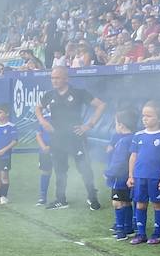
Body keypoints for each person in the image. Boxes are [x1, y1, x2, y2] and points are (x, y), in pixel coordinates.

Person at [36, 65, 105, 210]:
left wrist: (89, 125)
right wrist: (43, 121)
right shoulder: (49, 95)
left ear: (66, 78)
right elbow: (38, 108)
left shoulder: (79, 93)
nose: (54, 81)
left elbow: (101, 105)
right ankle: (61, 199)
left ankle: (92, 197)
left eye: (57, 78)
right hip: (57, 138)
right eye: (52, 78)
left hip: (76, 137)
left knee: (84, 168)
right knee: (60, 170)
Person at [126, 101, 160, 245]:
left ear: (159, 118)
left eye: (149, 115)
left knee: (157, 204)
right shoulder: (138, 135)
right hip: (139, 177)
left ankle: (157, 234)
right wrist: (130, 175)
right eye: (143, 115)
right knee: (140, 205)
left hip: (156, 178)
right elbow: (133, 156)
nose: (144, 118)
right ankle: (141, 234)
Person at [103, 110, 136, 239]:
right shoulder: (134, 138)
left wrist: (109, 173)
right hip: (130, 177)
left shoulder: (123, 141)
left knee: (117, 202)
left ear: (121, 125)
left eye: (115, 123)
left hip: (120, 177)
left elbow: (119, 161)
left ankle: (121, 231)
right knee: (127, 201)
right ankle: (128, 228)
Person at [34, 124, 53, 207]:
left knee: (60, 172)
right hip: (44, 152)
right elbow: (38, 135)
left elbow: (63, 134)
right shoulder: (43, 118)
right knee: (45, 172)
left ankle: (61, 197)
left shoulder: (61, 115)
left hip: (59, 150)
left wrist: (52, 147)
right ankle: (43, 197)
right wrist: (44, 147)